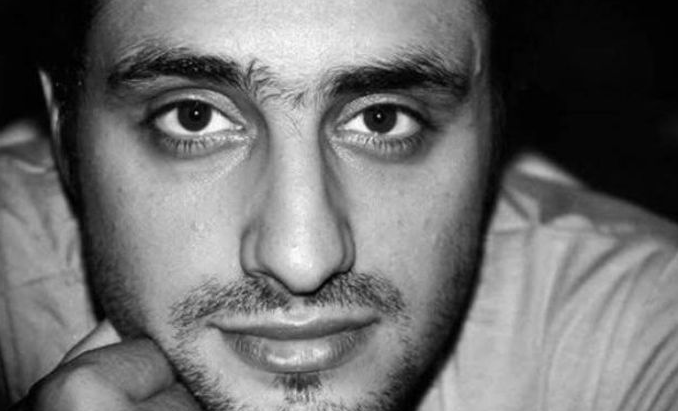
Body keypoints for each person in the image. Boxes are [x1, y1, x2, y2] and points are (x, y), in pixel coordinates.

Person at [2, 0, 678, 410]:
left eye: (383, 119)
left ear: (498, 134)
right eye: (193, 117)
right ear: (64, 134)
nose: (302, 259)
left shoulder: (644, 328)